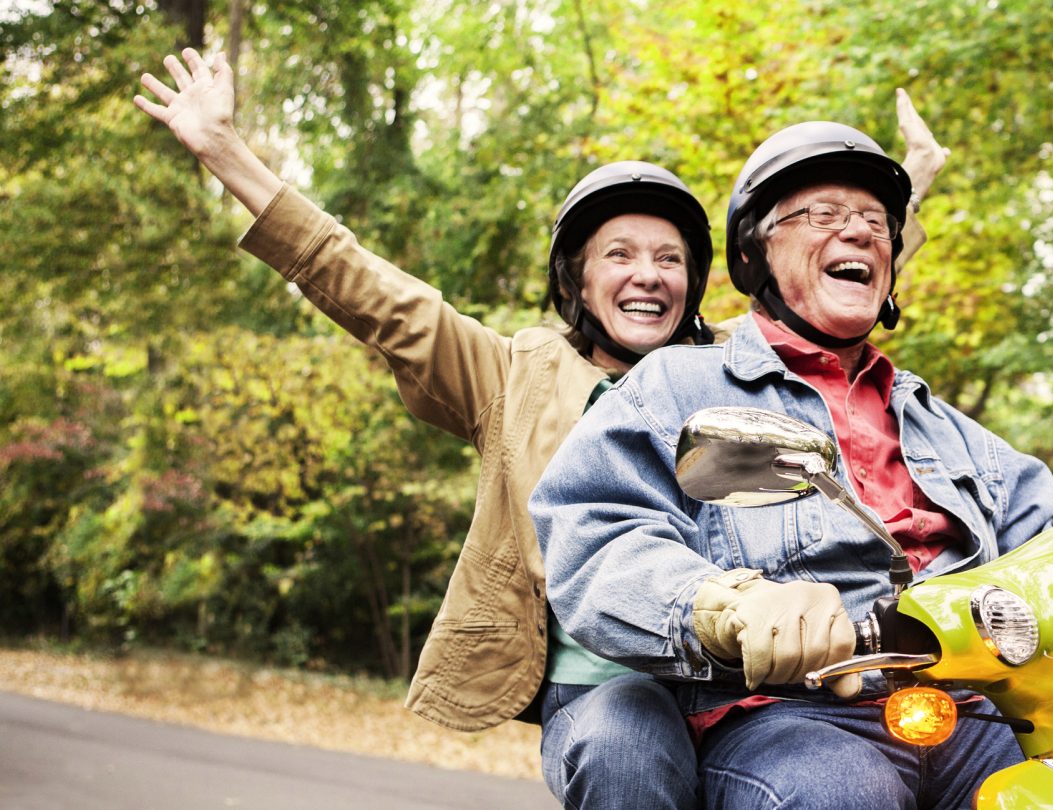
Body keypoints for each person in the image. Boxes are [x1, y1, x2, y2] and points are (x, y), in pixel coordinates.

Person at [133, 49, 955, 808]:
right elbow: (372, 292)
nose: (647, 275)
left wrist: (902, 194)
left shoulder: (739, 377)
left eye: (669, 259)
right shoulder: (513, 377)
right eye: (619, 255)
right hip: (602, 684)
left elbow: (826, 290)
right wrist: (224, 153)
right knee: (625, 740)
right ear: (577, 279)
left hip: (744, 683)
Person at [531, 120, 1053, 807]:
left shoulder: (968, 441)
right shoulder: (677, 384)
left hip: (982, 712)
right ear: (756, 252)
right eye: (824, 215)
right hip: (794, 712)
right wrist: (719, 603)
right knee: (839, 792)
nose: (861, 233)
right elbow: (598, 537)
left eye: (875, 221)